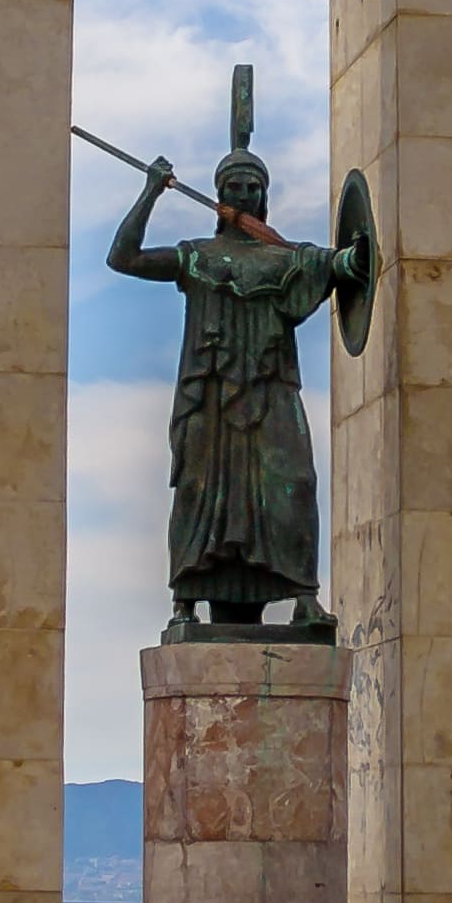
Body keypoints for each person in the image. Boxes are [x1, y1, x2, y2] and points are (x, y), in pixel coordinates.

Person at [107, 68, 363, 632]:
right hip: (210, 395)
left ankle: (304, 596)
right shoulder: (196, 255)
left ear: (264, 197)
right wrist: (150, 191)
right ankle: (186, 600)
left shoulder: (287, 259)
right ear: (218, 195)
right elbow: (123, 258)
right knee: (198, 491)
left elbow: (339, 264)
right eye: (234, 188)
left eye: (252, 188)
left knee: (293, 485)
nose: (244, 196)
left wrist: (352, 259)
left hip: (270, 394)